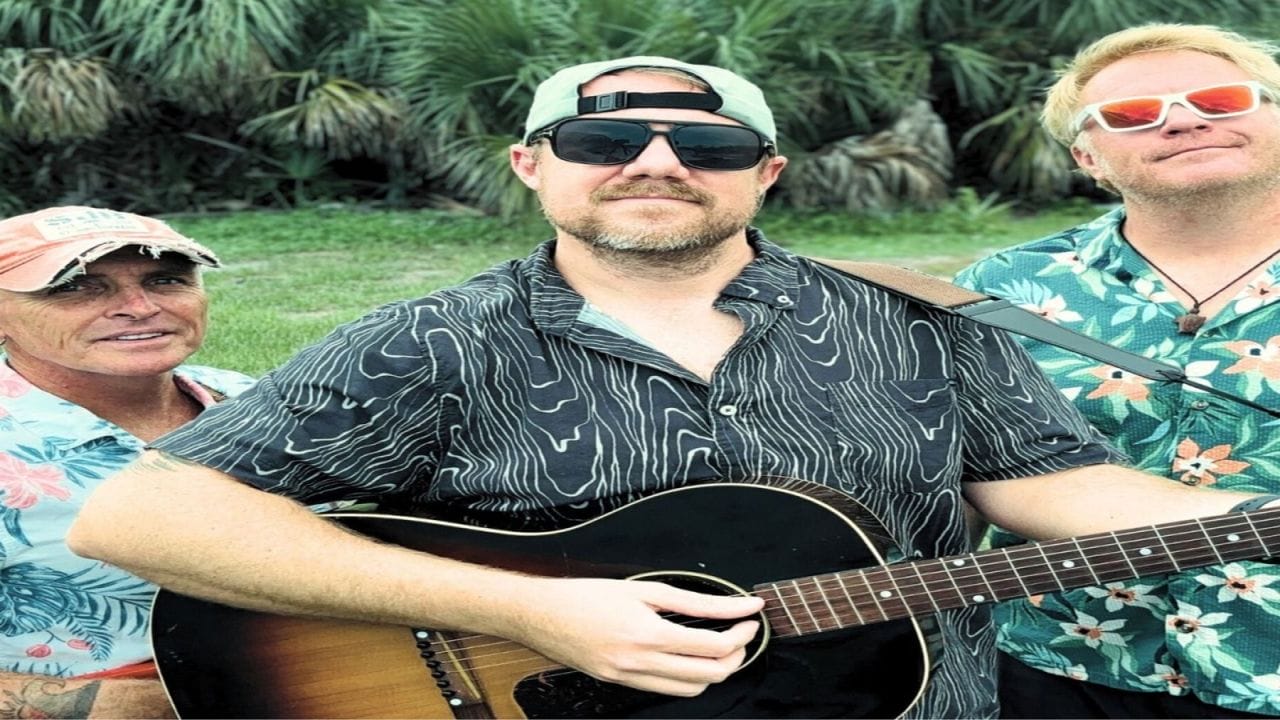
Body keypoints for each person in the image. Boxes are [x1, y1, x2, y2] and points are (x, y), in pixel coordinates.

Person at [65, 56, 1280, 719]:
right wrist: (538, 613)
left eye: (702, 147)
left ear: (762, 173)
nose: (655, 163)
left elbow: (1052, 482)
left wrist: (1246, 534)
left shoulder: (920, 318)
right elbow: (141, 517)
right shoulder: (430, 342)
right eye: (605, 142)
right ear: (534, 167)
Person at [955, 23, 1280, 719]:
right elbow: (960, 471)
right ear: (1088, 157)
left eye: (1222, 100)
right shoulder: (1001, 288)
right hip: (1059, 668)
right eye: (1132, 115)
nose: (1186, 121)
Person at [0, 206, 254, 718]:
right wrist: (130, 706)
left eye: (166, 280)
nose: (139, 307)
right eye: (75, 287)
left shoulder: (258, 401)